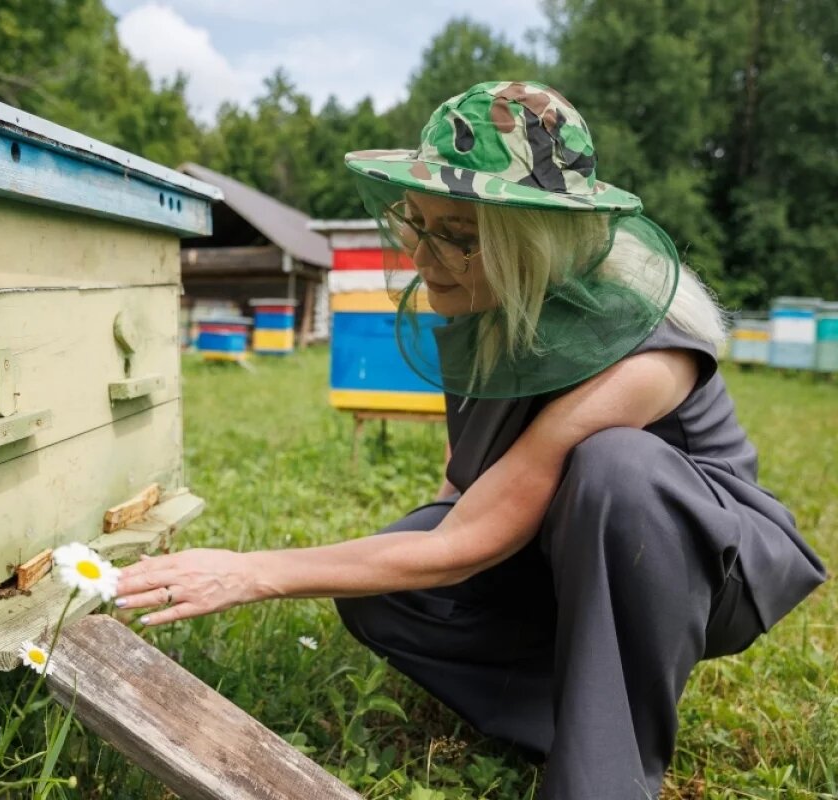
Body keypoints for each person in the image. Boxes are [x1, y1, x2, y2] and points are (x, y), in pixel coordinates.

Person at [114, 81, 826, 799]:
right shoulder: (491, 318)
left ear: (536, 241)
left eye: (457, 237)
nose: (423, 258)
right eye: (416, 224)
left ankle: (603, 774)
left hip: (699, 564)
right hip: (555, 550)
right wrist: (394, 557)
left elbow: (473, 540)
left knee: (617, 468)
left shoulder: (647, 353)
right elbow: (462, 488)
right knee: (380, 591)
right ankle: (577, 711)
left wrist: (251, 572)